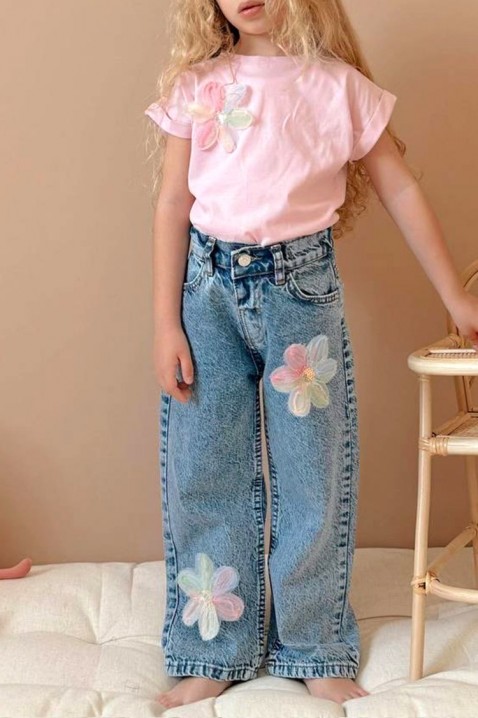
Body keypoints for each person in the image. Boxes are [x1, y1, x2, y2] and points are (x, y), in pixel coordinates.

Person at [144, 0, 478, 709]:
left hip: (301, 296)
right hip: (206, 296)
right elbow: (173, 203)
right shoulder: (198, 86)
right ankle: (213, 648)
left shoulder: (338, 88)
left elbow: (399, 186)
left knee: (312, 475)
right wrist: (165, 323)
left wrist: (454, 295)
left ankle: (313, 645)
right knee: (205, 471)